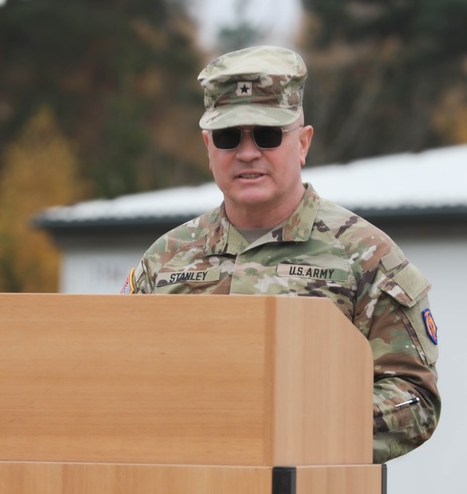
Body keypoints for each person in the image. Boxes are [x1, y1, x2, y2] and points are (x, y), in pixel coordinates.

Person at [122, 45, 439, 463]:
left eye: (267, 135)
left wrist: (300, 424)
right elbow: (117, 381)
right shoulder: (165, 260)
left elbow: (415, 400)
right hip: (183, 493)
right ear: (208, 146)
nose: (247, 152)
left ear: (303, 143)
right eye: (228, 137)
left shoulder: (364, 257)